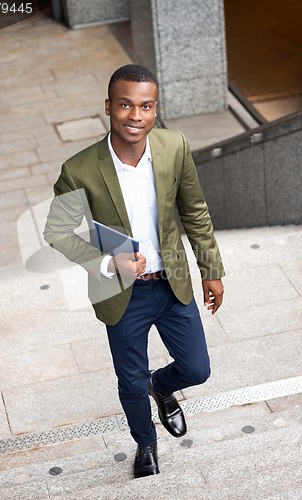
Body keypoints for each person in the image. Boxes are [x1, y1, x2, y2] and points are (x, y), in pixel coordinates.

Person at [44, 64, 225, 479]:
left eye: (146, 106)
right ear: (109, 106)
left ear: (155, 110)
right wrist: (109, 262)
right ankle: (145, 442)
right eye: (125, 105)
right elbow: (56, 230)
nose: (135, 116)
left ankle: (161, 386)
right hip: (123, 293)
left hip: (171, 282)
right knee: (129, 382)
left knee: (197, 369)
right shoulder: (80, 169)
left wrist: (210, 269)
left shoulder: (174, 146)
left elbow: (194, 210)